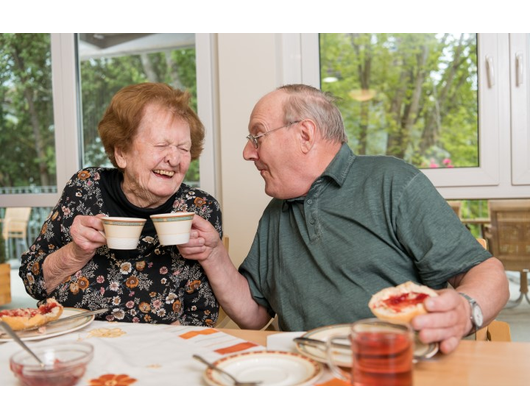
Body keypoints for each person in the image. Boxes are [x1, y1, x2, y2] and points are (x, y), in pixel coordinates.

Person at [179, 83, 509, 353]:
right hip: (309, 371)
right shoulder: (276, 213)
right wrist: (213, 254)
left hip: (398, 369)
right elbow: (255, 314)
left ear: (305, 135)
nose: (248, 152)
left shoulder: (391, 181)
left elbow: (486, 271)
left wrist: (466, 309)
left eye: (257, 136)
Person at [19, 82, 222, 326]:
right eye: (161, 145)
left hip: (157, 354)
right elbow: (34, 282)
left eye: (183, 148)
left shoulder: (198, 209)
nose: (174, 158)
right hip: (75, 342)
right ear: (122, 153)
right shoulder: (85, 189)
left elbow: (203, 315)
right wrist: (75, 252)